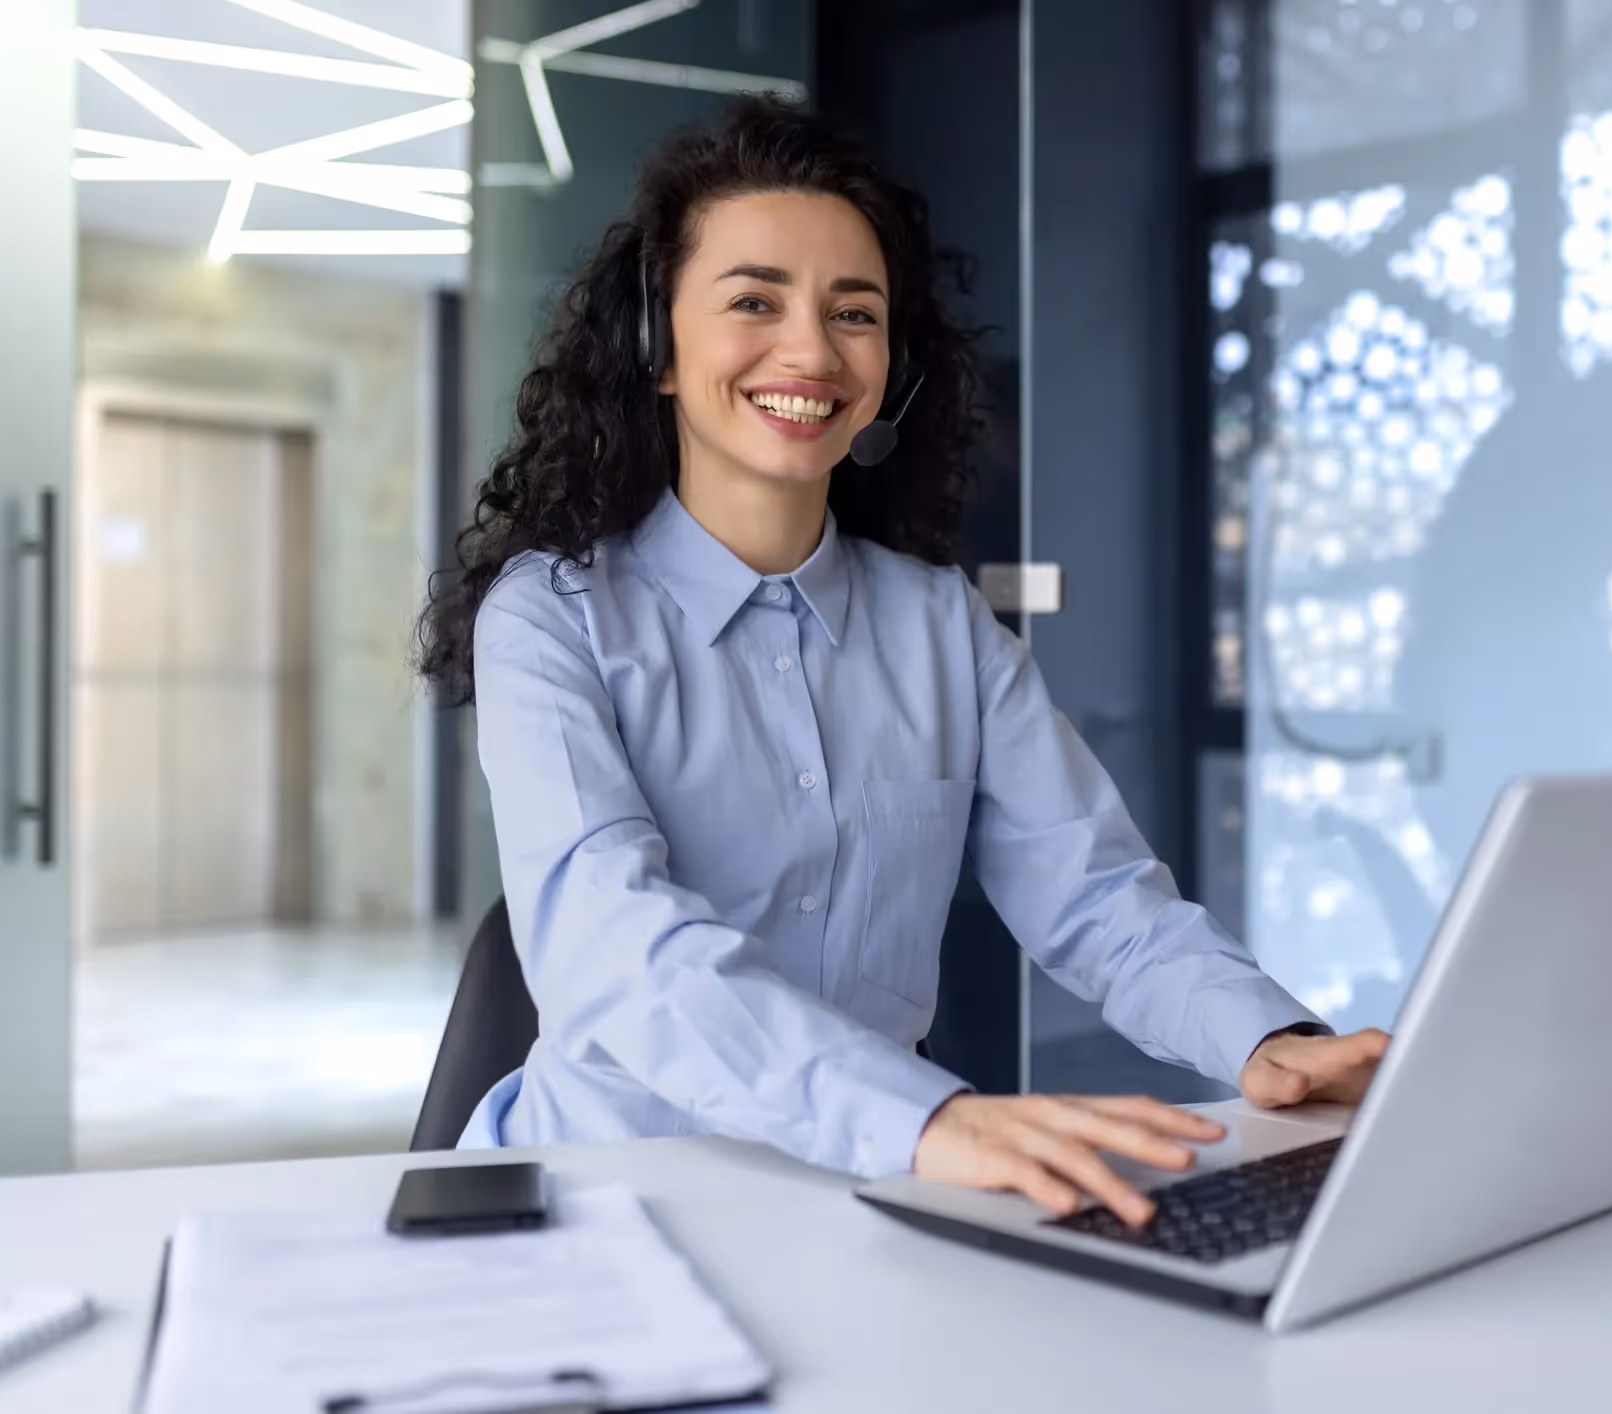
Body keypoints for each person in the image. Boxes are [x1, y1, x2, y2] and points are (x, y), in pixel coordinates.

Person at [414, 99, 1386, 1225]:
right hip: (612, 1198)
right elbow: (615, 947)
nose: (811, 351)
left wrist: (1266, 1036)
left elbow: (1099, 898)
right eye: (753, 301)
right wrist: (925, 1116)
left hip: (868, 1199)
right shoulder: (554, 615)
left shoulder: (942, 626)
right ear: (656, 349)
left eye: (854, 312)